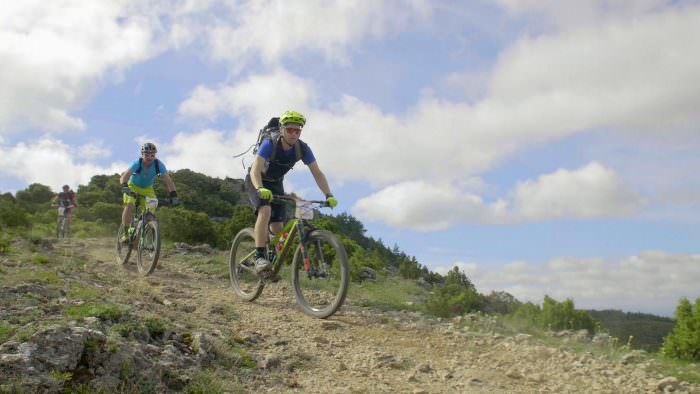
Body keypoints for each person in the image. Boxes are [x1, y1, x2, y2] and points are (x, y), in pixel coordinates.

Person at [246, 110, 338, 273]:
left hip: (275, 184)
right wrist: (260, 188)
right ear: (282, 130)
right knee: (265, 210)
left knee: (278, 227)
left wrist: (328, 195)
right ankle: (259, 257)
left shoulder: (302, 149)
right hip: (257, 180)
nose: (294, 133)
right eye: (290, 129)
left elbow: (317, 173)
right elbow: (255, 170)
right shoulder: (270, 143)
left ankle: (271, 262)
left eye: (298, 130)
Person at [119, 142, 179, 241]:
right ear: (142, 154)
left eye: (152, 155)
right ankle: (125, 234)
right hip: (133, 186)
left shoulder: (158, 165)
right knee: (129, 204)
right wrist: (125, 186)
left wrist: (174, 195)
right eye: (146, 154)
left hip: (147, 189)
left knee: (149, 214)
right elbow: (124, 177)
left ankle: (139, 235)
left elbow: (168, 181)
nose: (149, 157)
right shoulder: (137, 163)